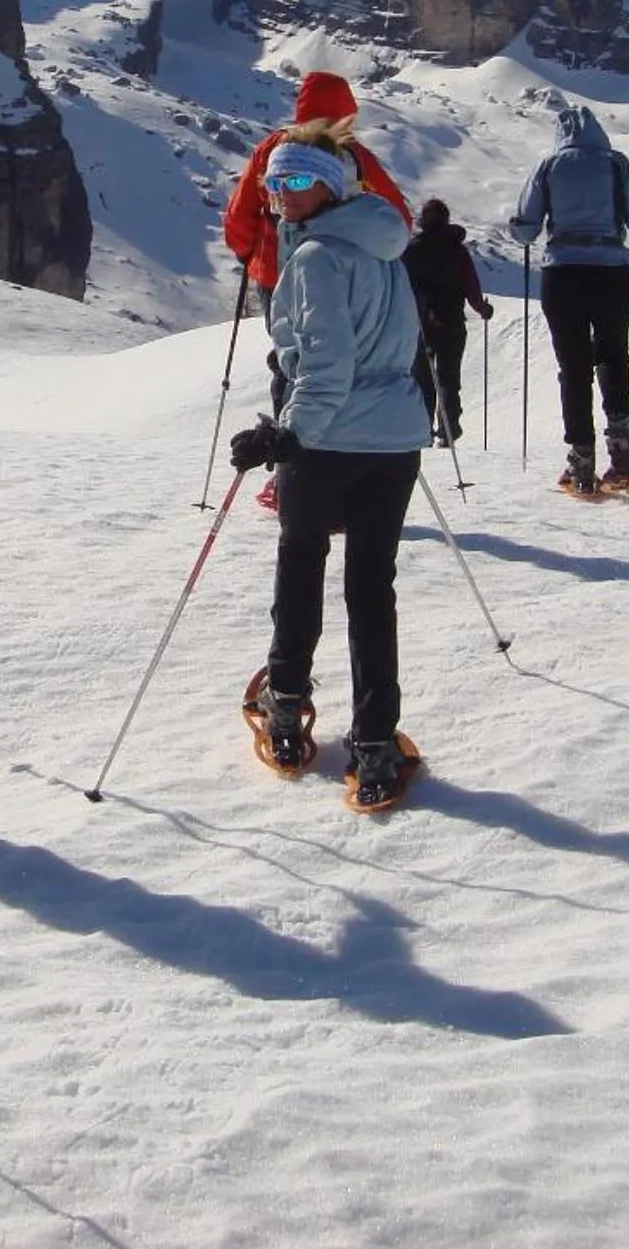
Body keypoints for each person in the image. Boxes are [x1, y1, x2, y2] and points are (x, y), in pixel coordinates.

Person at [226, 120, 425, 811]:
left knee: (302, 558)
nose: (280, 195)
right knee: (372, 588)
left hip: (330, 437)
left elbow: (327, 366)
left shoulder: (314, 258)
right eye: (272, 181)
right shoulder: (386, 245)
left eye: (297, 181)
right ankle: (374, 742)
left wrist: (285, 437)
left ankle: (286, 706)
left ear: (331, 186)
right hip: (394, 442)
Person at [221, 71, 412, 506]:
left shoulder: (273, 148)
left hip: (277, 275)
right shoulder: (354, 156)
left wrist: (250, 256)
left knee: (293, 363)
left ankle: (289, 469)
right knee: (346, 362)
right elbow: (397, 216)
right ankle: (342, 464)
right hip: (349, 276)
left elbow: (238, 216)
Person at [508, 103, 629, 497]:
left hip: (563, 273)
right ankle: (622, 446)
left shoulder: (549, 165)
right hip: (612, 271)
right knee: (614, 355)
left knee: (573, 365)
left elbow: (526, 228)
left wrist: (522, 229)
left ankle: (581, 457)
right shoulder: (617, 164)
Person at [400, 198, 493, 446]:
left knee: (422, 377)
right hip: (452, 322)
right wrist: (482, 308)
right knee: (449, 377)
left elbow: (402, 287)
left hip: (421, 324)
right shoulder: (457, 249)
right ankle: (449, 429)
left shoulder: (413, 249)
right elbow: (470, 284)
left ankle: (423, 430)